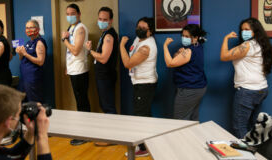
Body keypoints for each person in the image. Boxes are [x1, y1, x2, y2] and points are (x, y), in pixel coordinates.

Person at [220, 17, 272, 138]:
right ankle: (257, 152)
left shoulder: (247, 45)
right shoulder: (261, 44)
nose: (243, 31)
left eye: (247, 29)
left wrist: (226, 39)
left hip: (248, 92)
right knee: (254, 125)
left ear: (255, 30)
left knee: (240, 127)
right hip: (261, 89)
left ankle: (247, 154)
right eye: (242, 29)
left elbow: (224, 56)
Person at [120, 17, 157, 157]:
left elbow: (128, 63)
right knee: (144, 115)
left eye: (143, 28)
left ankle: (144, 147)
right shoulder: (138, 39)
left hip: (145, 85)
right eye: (138, 27)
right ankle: (148, 144)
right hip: (138, 83)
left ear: (150, 31)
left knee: (141, 117)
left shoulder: (147, 47)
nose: (139, 30)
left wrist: (121, 46)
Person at [85, 6, 119, 147]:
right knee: (105, 105)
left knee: (108, 107)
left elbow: (104, 58)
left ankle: (112, 138)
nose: (102, 21)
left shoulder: (109, 36)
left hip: (106, 76)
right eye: (100, 19)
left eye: (105, 19)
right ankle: (110, 136)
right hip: (103, 75)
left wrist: (90, 51)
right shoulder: (105, 34)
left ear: (111, 21)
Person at [163, 24, 207, 121]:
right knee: (192, 119)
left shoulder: (189, 51)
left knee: (180, 121)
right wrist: (178, 53)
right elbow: (178, 59)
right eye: (183, 36)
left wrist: (165, 46)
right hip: (197, 88)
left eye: (187, 36)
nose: (183, 38)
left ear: (195, 37)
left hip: (189, 89)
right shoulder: (197, 46)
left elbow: (170, 63)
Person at [61, 3, 90, 146]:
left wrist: (64, 40)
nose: (70, 16)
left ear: (79, 14)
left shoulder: (80, 28)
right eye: (67, 14)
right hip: (73, 69)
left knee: (82, 103)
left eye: (72, 13)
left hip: (80, 70)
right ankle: (83, 132)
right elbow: (70, 52)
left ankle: (85, 134)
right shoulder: (71, 28)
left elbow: (76, 50)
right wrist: (68, 67)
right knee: (80, 102)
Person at [16, 19, 47, 103]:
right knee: (24, 103)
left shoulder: (39, 42)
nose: (28, 30)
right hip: (24, 78)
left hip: (33, 78)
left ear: (37, 29)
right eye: (27, 28)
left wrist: (25, 54)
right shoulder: (27, 42)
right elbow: (21, 59)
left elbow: (40, 61)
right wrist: (20, 53)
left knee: (34, 103)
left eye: (31, 27)